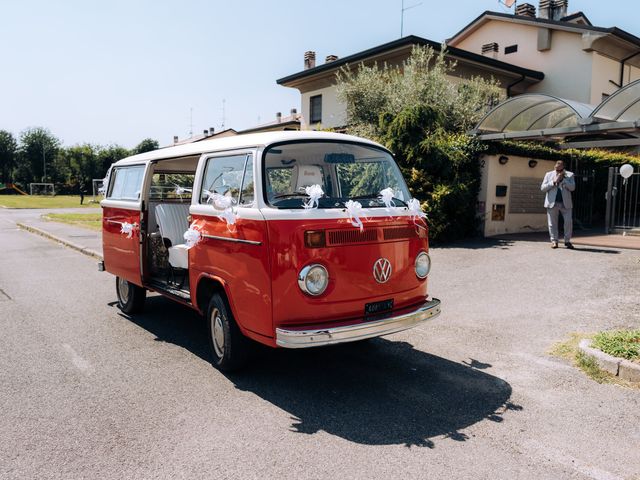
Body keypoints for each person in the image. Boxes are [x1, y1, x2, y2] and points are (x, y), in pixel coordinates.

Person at [541, 160, 575, 249]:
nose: (557, 170)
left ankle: (567, 241)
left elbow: (572, 188)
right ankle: (554, 241)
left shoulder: (570, 175)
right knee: (552, 223)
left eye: (559, 168)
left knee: (568, 222)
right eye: (556, 167)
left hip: (565, 203)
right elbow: (543, 188)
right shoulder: (548, 174)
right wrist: (553, 182)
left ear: (563, 167)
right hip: (552, 203)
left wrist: (563, 180)